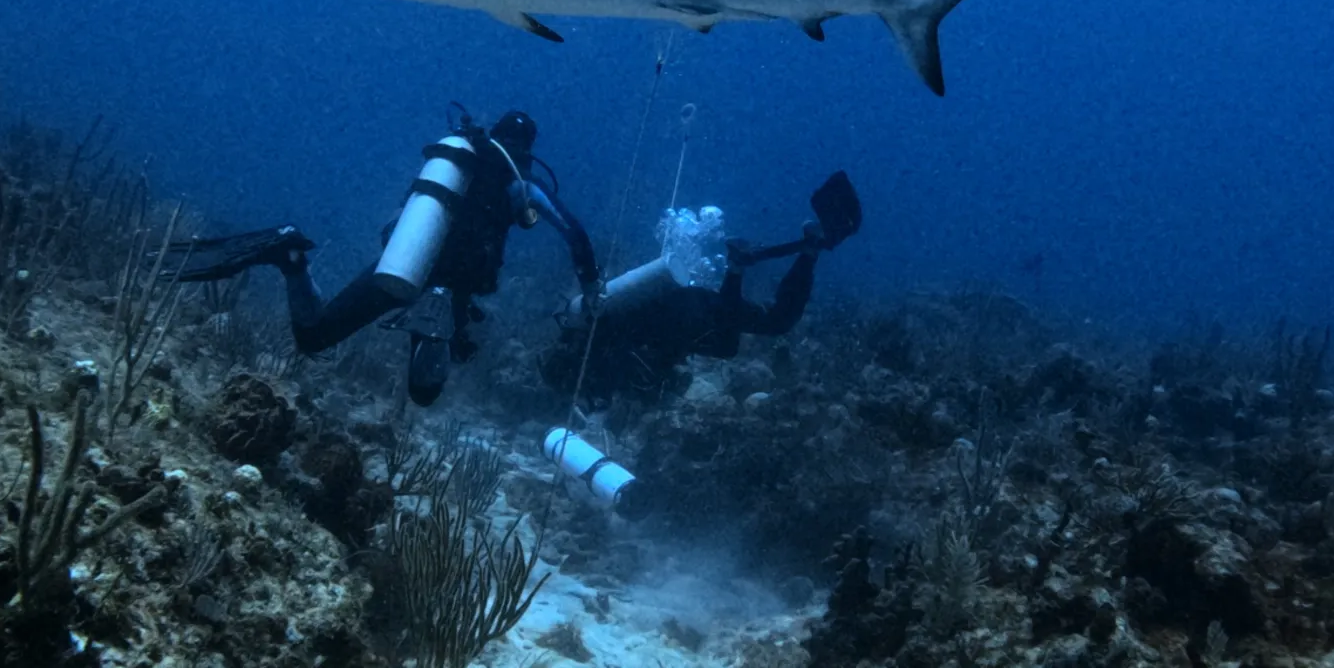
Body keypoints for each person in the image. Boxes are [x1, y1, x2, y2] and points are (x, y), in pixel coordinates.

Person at [177, 106, 600, 405]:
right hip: (456, 285)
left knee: (315, 336)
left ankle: (290, 254)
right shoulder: (520, 185)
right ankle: (435, 321)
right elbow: (574, 233)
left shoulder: (458, 160)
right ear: (527, 149)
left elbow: (403, 215)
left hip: (408, 260)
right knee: (424, 392)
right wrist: (591, 288)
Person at [544, 171, 860, 405]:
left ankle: (804, 245)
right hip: (687, 309)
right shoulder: (591, 334)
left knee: (775, 321)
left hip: (690, 316)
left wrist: (658, 382)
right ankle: (779, 253)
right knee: (735, 337)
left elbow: (649, 372)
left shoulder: (601, 356)